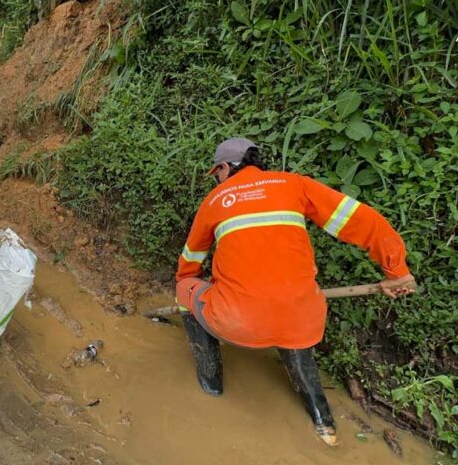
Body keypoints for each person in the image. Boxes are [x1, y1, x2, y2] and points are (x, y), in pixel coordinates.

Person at [175, 137, 416, 443]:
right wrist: (397, 272)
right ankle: (322, 420)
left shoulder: (216, 199)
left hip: (238, 322)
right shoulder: (295, 184)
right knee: (293, 315)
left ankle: (211, 383)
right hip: (303, 320)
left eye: (217, 173)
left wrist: (191, 282)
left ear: (224, 167)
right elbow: (365, 221)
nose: (217, 180)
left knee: (184, 286)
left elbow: (190, 260)